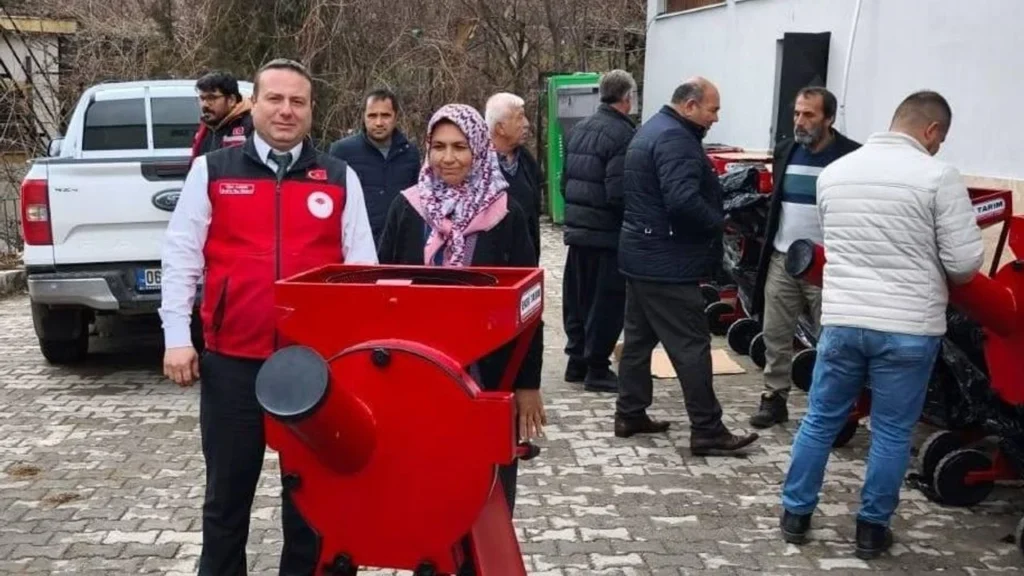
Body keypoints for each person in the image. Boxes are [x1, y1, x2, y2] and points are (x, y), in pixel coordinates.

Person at [159, 58, 378, 576]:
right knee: (226, 498)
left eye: (297, 101)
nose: (286, 111)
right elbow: (180, 257)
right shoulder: (212, 170)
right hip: (234, 363)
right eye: (275, 99)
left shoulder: (340, 177)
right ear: (252, 104)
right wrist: (175, 337)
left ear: (311, 109)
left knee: (312, 504)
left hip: (315, 368)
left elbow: (363, 270)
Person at [779, 90, 984, 559]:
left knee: (819, 420)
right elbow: (964, 264)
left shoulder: (836, 173)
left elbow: (837, 243)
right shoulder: (938, 177)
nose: (938, 148)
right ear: (931, 131)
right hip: (908, 328)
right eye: (940, 139)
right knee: (891, 431)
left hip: (845, 320)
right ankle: (871, 530)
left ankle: (795, 515)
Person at [377, 104, 545, 569]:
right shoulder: (407, 209)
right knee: (425, 504)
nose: (448, 158)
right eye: (439, 147)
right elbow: (383, 295)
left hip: (488, 381)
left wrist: (526, 385)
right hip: (419, 382)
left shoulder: (505, 211)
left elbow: (529, 306)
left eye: (460, 147)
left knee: (486, 501)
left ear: (480, 150)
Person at [614, 76, 759, 456]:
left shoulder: (650, 130)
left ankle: (629, 412)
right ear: (690, 105)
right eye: (713, 109)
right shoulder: (676, 139)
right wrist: (720, 222)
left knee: (639, 340)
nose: (716, 117)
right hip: (667, 261)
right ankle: (708, 429)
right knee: (692, 346)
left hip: (641, 255)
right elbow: (681, 200)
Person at [748, 87, 860, 428]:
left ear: (828, 118)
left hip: (829, 264)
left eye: (809, 115)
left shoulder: (852, 157)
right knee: (775, 333)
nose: (799, 121)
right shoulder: (786, 150)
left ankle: (833, 408)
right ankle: (774, 398)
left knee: (833, 341)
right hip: (784, 258)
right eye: (797, 113)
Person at [560, 69, 638, 393]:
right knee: (605, 303)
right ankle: (596, 367)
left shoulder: (580, 128)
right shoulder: (622, 135)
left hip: (578, 231)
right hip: (606, 234)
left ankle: (576, 361)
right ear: (627, 98)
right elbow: (618, 191)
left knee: (577, 299)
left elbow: (565, 181)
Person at [328, 88, 421, 245]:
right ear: (364, 117)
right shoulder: (342, 151)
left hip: (398, 247)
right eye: (372, 116)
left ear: (396, 117)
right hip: (356, 245)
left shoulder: (410, 153)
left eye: (385, 115)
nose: (379, 122)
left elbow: (416, 204)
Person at [484, 92, 543, 259]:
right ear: (500, 128)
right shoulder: (478, 164)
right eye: (519, 118)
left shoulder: (527, 161)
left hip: (526, 257)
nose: (526, 124)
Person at [190, 71, 254, 162]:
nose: (205, 104)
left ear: (231, 100)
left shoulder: (252, 126)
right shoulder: (206, 127)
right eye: (202, 98)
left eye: (211, 98)